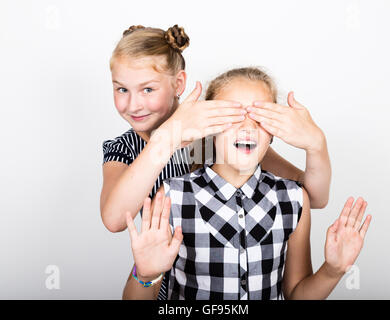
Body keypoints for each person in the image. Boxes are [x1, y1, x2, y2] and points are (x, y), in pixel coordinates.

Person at [100, 24, 331, 299]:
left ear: (179, 84)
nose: (134, 104)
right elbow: (114, 219)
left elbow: (311, 196)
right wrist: (168, 137)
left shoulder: (219, 132)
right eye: (122, 89)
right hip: (158, 286)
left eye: (147, 89)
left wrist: (316, 144)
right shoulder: (123, 149)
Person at [124, 67, 372, 299]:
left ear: (274, 132)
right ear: (209, 126)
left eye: (259, 117)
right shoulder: (172, 197)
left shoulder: (294, 199)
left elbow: (297, 293)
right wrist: (146, 275)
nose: (247, 127)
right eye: (234, 115)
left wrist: (332, 270)